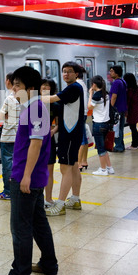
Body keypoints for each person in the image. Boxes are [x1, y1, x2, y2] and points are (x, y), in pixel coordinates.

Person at [0, 66, 58, 275]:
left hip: (26, 177)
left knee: (20, 227)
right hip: (35, 176)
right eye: (13, 84)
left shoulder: (35, 109)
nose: (13, 89)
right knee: (38, 223)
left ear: (30, 88)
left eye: (18, 85)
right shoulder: (35, 108)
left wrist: (25, 176)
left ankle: (20, 273)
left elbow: (36, 143)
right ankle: (48, 264)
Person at [42, 61, 84, 216]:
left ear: (76, 74)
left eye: (69, 71)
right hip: (72, 132)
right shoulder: (73, 88)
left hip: (70, 133)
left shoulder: (74, 88)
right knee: (73, 166)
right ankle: (75, 198)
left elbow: (52, 99)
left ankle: (59, 205)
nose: (66, 74)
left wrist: (30, 97)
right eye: (64, 71)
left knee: (65, 168)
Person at [0, 73, 20, 200]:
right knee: (18, 164)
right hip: (19, 137)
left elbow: (0, 116)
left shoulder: (9, 98)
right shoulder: (24, 98)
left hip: (8, 137)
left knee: (8, 165)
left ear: (9, 81)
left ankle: (8, 191)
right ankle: (16, 189)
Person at [88, 75, 114, 175]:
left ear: (94, 85)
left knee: (100, 148)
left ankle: (103, 170)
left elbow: (89, 107)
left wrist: (90, 94)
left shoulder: (96, 95)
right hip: (106, 123)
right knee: (104, 147)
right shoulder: (106, 94)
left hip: (98, 125)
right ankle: (109, 168)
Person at [40, 78, 59, 208]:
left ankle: (49, 199)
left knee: (49, 170)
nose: (45, 89)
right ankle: (38, 199)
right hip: (35, 139)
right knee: (37, 170)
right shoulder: (33, 104)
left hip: (48, 139)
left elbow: (58, 124)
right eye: (43, 87)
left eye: (48, 87)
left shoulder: (55, 105)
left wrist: (53, 131)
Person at [109, 65, 127, 152]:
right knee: (120, 128)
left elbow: (114, 96)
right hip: (122, 108)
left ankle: (118, 146)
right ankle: (121, 145)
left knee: (116, 128)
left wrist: (110, 108)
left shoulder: (116, 82)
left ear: (117, 73)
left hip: (116, 109)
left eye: (112, 71)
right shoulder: (123, 81)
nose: (110, 73)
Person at [123, 73, 138, 149]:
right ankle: (137, 143)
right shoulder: (136, 89)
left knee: (132, 127)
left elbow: (128, 102)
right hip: (136, 109)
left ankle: (134, 144)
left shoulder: (129, 90)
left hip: (131, 111)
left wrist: (126, 111)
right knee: (134, 127)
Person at [77, 67, 89, 171]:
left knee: (81, 138)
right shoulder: (83, 84)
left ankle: (79, 163)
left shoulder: (77, 85)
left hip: (78, 114)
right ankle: (84, 161)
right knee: (84, 137)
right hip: (84, 113)